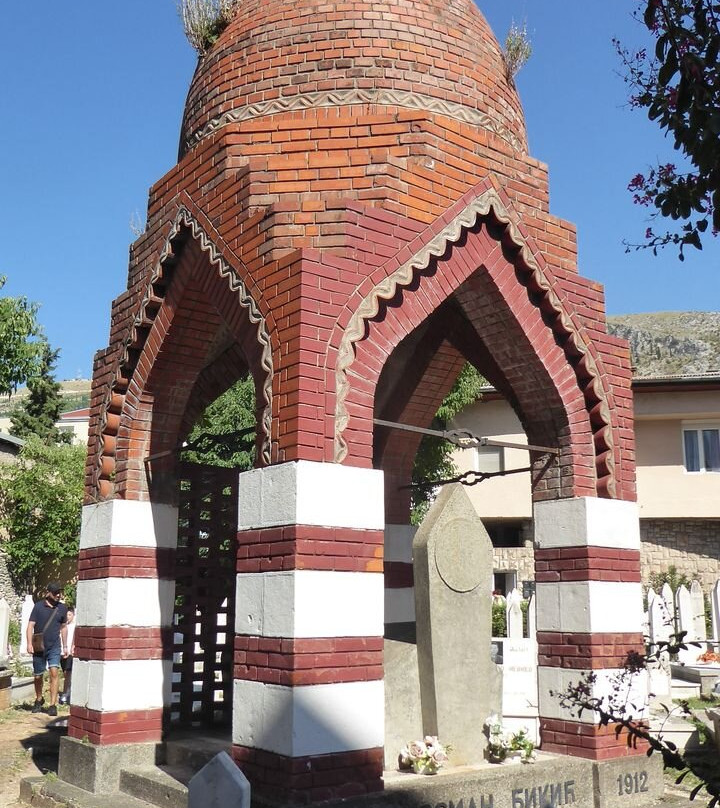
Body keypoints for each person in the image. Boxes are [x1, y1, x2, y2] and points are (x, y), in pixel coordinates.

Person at [26, 582, 68, 716]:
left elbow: (63, 627)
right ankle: (39, 699)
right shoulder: (38, 607)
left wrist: (65, 645)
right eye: (55, 592)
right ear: (48, 592)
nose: (58, 595)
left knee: (54, 673)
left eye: (59, 592)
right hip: (39, 647)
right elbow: (30, 626)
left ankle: (52, 704)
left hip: (54, 646)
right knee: (38, 676)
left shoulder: (62, 608)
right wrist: (29, 644)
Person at [59, 607, 75, 705]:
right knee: (65, 673)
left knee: (67, 673)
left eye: (69, 615)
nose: (67, 617)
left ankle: (65, 694)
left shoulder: (74, 626)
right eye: (66, 615)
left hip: (70, 652)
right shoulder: (63, 626)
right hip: (62, 651)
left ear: (73, 615)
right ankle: (67, 691)